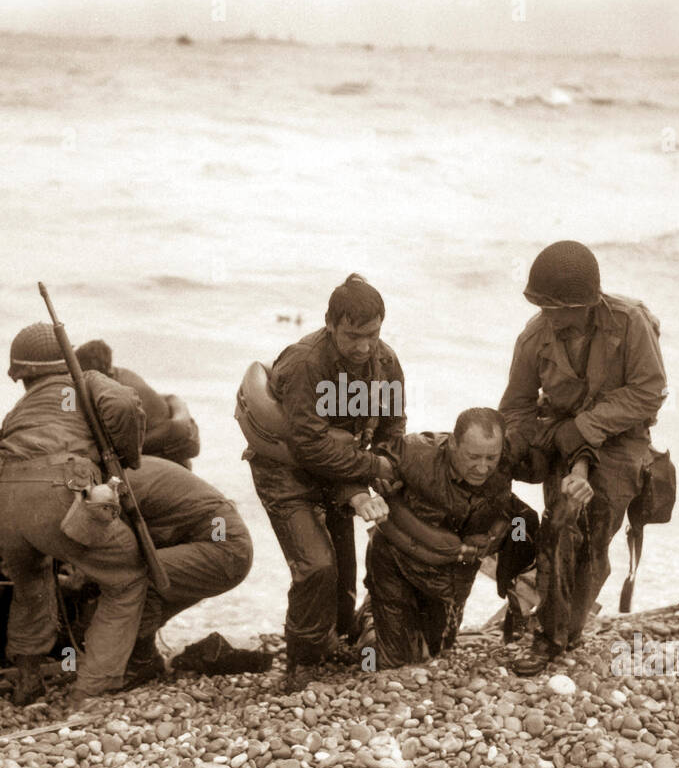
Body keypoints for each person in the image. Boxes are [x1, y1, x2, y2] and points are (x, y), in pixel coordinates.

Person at [499, 241, 667, 675]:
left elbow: (649, 392)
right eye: (543, 306)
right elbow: (515, 407)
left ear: (588, 304)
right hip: (560, 434)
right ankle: (550, 631)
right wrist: (520, 448)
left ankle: (565, 625)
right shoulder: (534, 337)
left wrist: (586, 431)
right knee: (560, 524)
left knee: (594, 535)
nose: (550, 317)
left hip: (621, 441)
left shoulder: (630, 324)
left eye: (559, 308)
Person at [242, 274, 405, 688]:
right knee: (316, 565)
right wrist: (367, 474)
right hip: (286, 471)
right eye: (353, 336)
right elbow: (309, 447)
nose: (364, 346)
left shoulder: (386, 363)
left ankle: (335, 637)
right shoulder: (303, 364)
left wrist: (384, 464)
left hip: (344, 468)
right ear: (330, 324)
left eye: (373, 334)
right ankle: (303, 659)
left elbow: (393, 426)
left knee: (343, 573)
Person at [0, 323, 149, 705]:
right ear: (66, 360)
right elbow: (124, 404)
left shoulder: (20, 408)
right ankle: (92, 689)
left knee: (31, 583)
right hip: (57, 495)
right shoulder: (85, 381)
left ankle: (27, 679)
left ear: (22, 375)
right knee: (127, 576)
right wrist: (126, 457)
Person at [354, 408, 525, 668]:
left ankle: (398, 619)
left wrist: (497, 535)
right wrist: (370, 491)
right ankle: (369, 617)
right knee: (390, 660)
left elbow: (522, 504)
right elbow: (362, 466)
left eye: (491, 457)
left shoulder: (505, 463)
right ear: (453, 444)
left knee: (435, 649)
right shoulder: (414, 452)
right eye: (473, 456)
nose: (482, 467)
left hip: (450, 575)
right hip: (397, 563)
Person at [100, 457, 253, 688]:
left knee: (135, 578)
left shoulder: (115, 486)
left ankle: (142, 661)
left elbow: (114, 556)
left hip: (222, 543)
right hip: (218, 537)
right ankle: (140, 654)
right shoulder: (123, 471)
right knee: (136, 581)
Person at [76, 339, 201, 468]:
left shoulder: (117, 390)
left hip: (166, 450)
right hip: (169, 441)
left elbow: (125, 441)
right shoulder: (120, 374)